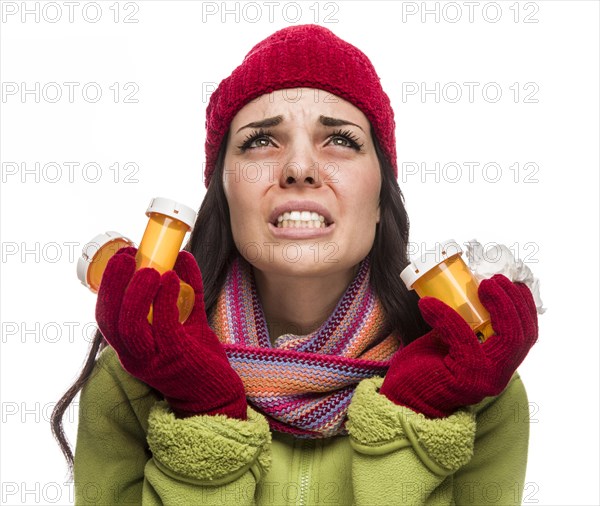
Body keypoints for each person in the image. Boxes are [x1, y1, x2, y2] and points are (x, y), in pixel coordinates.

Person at [52, 24, 538, 505]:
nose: (299, 167)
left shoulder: (473, 381)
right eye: (261, 141)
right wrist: (202, 415)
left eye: (341, 140)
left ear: (379, 200)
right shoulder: (133, 379)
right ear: (223, 194)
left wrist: (414, 423)